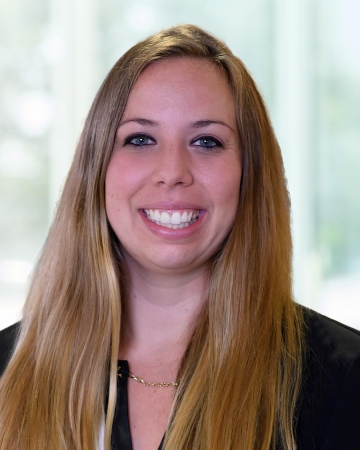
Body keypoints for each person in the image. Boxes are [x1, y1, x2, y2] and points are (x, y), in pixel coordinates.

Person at [0, 24, 359, 450]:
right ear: (96, 169)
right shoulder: (8, 369)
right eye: (140, 139)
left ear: (250, 174)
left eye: (207, 141)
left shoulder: (344, 380)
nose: (172, 172)